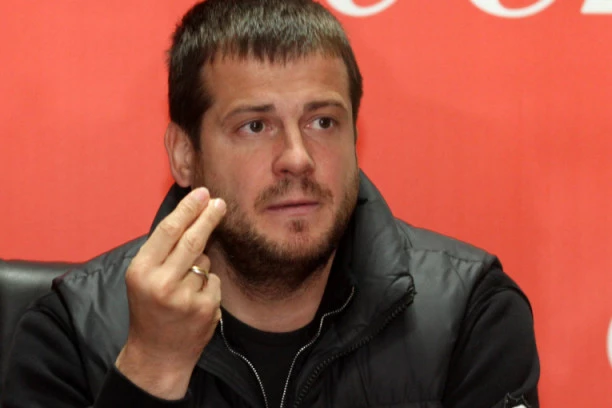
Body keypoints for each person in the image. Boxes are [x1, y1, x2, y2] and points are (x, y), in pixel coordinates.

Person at [1, 1, 540, 407]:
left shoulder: (470, 313)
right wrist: (151, 369)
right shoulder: (70, 333)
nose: (297, 158)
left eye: (322, 121)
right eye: (255, 126)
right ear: (185, 155)